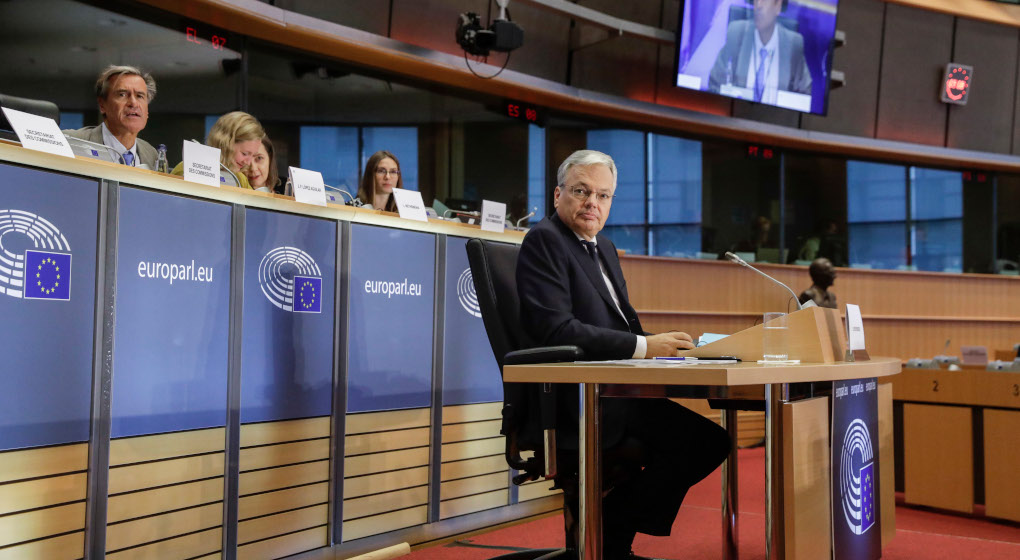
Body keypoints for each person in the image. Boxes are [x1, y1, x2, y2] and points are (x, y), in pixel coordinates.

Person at [516, 150, 730, 559]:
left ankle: (610, 533)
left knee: (709, 440)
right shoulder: (546, 240)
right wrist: (646, 347)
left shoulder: (605, 248)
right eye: (581, 191)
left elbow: (622, 329)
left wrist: (675, 349)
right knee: (701, 443)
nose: (592, 202)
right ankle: (612, 531)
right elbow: (556, 330)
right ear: (558, 194)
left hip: (614, 393)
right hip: (576, 400)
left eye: (603, 195)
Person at [708, 0, 812, 103]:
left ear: (778, 6)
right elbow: (714, 84)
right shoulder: (736, 33)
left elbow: (805, 96)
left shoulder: (793, 44)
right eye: (756, 0)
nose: (758, 5)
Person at [64, 65, 158, 169]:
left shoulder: (152, 155)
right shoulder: (70, 142)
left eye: (139, 96)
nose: (133, 103)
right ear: (102, 105)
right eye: (122, 94)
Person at [171, 111, 264, 190]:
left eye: (253, 155)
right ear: (225, 144)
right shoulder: (188, 168)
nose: (248, 162)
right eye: (245, 154)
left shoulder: (240, 179)